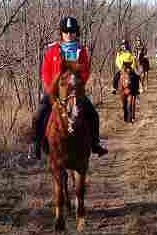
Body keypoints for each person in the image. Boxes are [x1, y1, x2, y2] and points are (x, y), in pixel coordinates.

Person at [30, 16, 108, 160]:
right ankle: (36, 145)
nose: (69, 34)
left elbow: (85, 70)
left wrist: (78, 85)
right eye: (66, 32)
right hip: (55, 90)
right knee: (38, 115)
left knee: (93, 114)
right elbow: (45, 71)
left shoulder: (81, 50)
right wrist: (51, 87)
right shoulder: (52, 50)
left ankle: (95, 144)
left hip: (74, 91)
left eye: (72, 31)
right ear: (61, 33)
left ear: (76, 32)